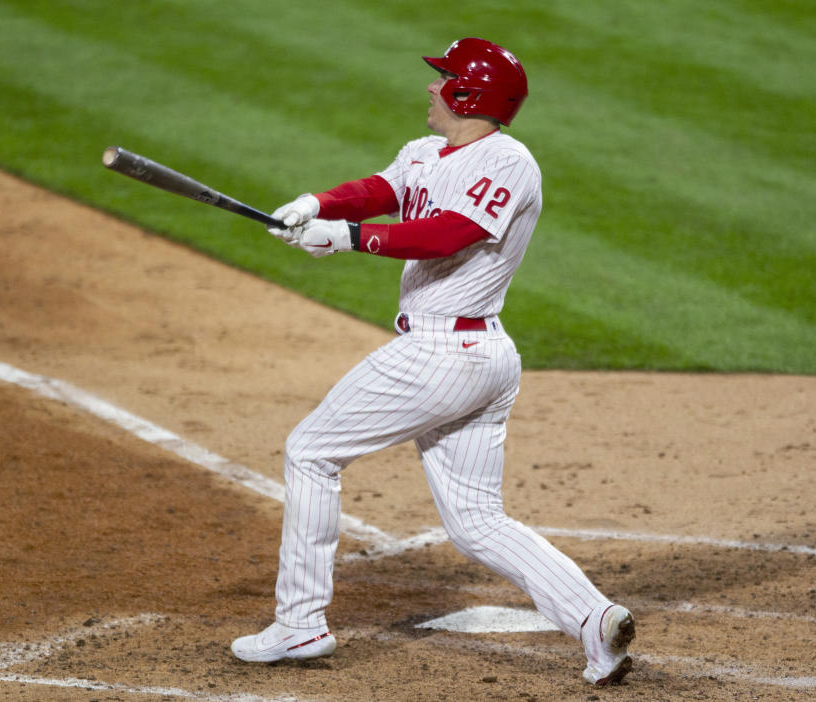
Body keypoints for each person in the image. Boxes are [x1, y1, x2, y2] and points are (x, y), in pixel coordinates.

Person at [230, 37, 635, 686]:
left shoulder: (508, 162)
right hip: (481, 360)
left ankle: (300, 622)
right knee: (477, 522)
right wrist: (318, 205)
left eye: (443, 78)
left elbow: (450, 232)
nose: (430, 87)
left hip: (443, 355)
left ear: (470, 95)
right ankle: (596, 621)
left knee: (310, 451)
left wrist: (350, 240)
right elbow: (378, 189)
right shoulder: (426, 151)